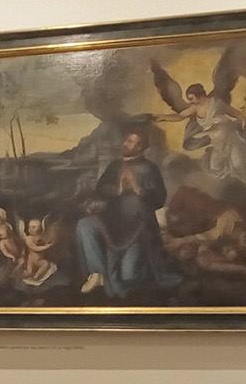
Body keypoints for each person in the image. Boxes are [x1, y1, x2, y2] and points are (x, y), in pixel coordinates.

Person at [75, 127, 179, 300]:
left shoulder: (149, 168)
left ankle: (123, 284)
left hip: (138, 226)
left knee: (128, 275)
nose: (128, 145)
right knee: (84, 225)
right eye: (128, 140)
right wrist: (119, 189)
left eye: (134, 143)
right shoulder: (115, 165)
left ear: (141, 147)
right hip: (111, 221)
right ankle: (97, 273)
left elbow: (159, 199)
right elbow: (100, 190)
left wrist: (137, 188)